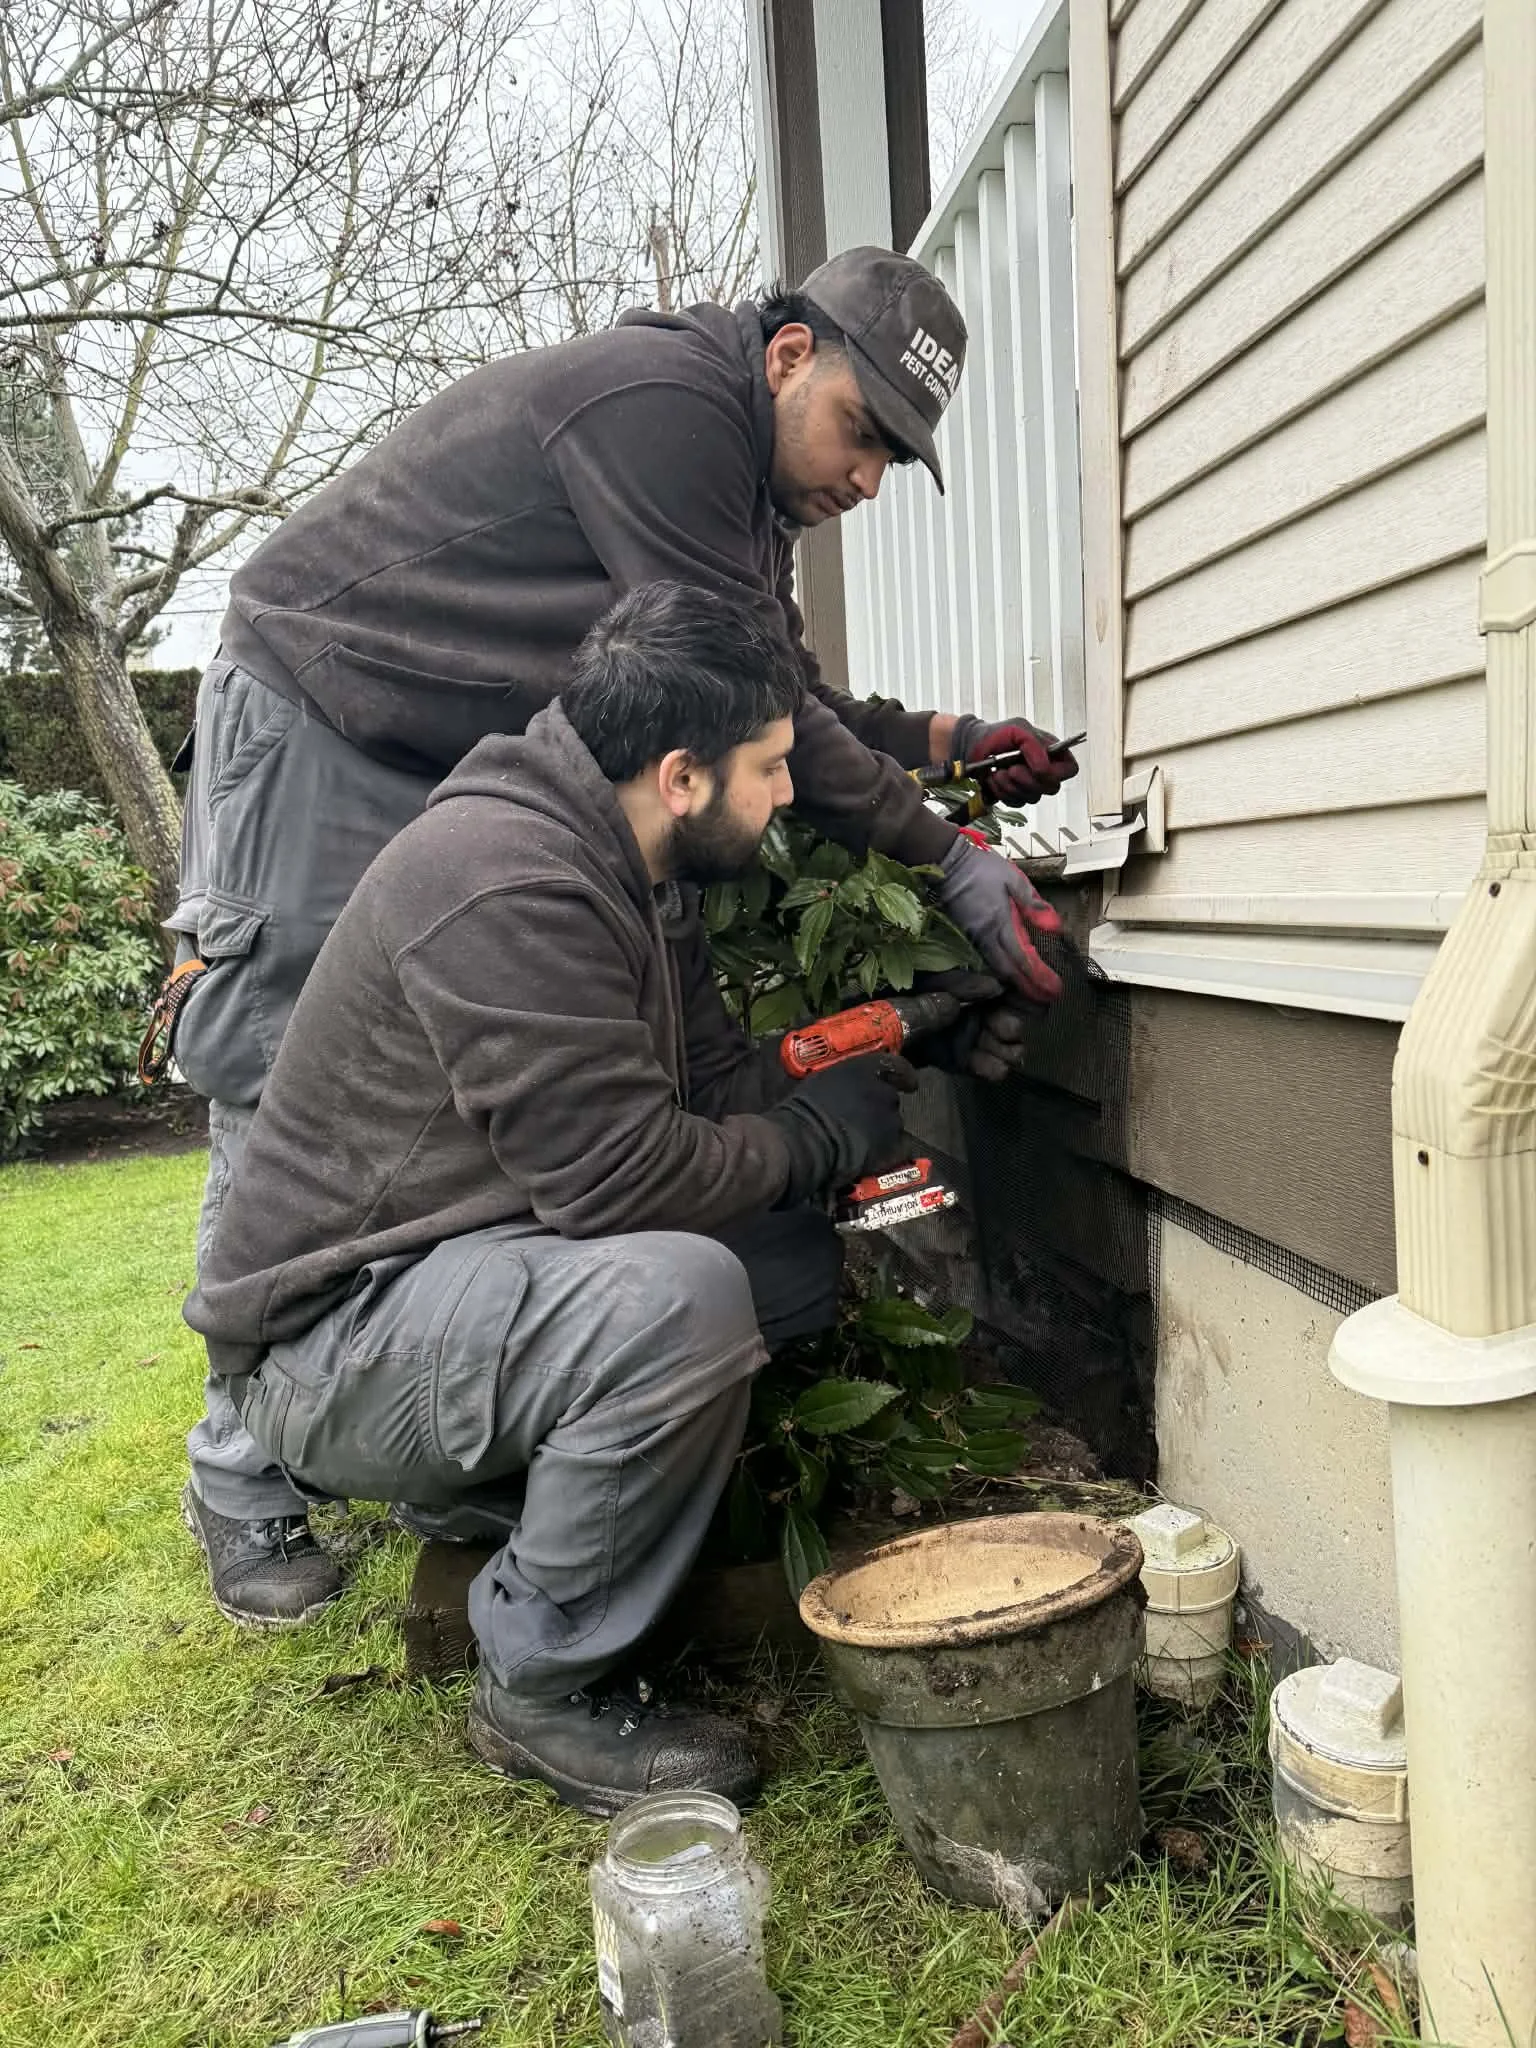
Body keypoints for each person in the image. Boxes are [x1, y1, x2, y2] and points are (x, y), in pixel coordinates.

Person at [169, 245, 1078, 1626]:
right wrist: (946, 858)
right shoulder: (663, 405)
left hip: (452, 753)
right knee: (281, 1052)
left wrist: (952, 743)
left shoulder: (749, 503)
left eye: (896, 457)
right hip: (325, 711)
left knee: (493, 1102)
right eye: (862, 431)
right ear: (788, 356)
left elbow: (768, 700)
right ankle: (247, 1464)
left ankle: (452, 1406)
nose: (868, 477)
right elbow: (771, 713)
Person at [182, 582, 1014, 1814]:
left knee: (779, 1261)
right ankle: (542, 1685)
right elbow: (618, 1178)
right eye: (772, 767)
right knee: (677, 1298)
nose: (791, 792)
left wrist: (888, 1048)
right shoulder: (504, 879)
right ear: (682, 775)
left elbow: (708, 1085)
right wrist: (809, 1137)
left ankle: (503, 1496)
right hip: (328, 1338)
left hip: (442, 1268)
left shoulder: (624, 855)